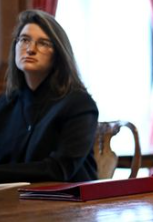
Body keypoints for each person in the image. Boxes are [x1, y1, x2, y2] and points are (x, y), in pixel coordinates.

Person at [0, 10, 98, 182]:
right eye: (24, 40)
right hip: (13, 197)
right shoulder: (6, 104)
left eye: (43, 43)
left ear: (58, 54)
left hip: (66, 197)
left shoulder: (79, 104)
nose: (30, 49)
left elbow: (58, 169)